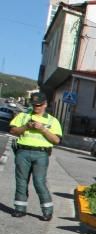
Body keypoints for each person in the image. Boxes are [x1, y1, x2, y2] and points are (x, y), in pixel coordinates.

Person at [9, 92, 62, 220]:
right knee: (21, 181)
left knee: (39, 182)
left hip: (41, 154)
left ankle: (47, 211)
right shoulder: (23, 116)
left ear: (45, 104)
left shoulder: (52, 120)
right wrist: (26, 126)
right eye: (34, 105)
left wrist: (43, 129)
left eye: (39, 105)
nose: (36, 107)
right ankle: (20, 209)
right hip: (23, 152)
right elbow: (13, 130)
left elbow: (56, 140)